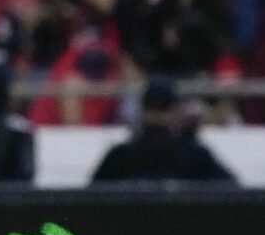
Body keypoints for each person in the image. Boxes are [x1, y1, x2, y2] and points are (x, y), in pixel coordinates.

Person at [92, 77, 236, 183]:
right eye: (153, 110)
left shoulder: (194, 156)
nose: (157, 117)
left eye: (161, 110)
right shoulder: (121, 156)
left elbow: (231, 193)